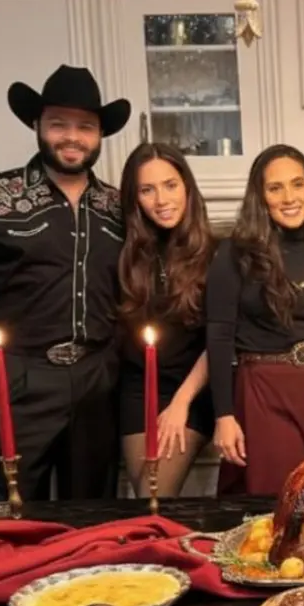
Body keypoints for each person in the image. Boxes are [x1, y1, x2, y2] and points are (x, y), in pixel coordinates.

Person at [0, 65, 130, 501]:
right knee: (15, 510)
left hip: (98, 381)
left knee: (93, 508)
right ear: (37, 125)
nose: (72, 137)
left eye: (86, 127)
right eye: (59, 124)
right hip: (18, 379)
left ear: (99, 136)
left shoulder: (119, 206)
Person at [207, 144, 304, 495]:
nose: (289, 197)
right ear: (261, 197)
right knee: (278, 498)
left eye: (298, 184)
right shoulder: (235, 253)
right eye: (275, 188)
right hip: (263, 389)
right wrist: (223, 416)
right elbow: (219, 336)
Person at [115, 143, 216, 498]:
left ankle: (169, 553)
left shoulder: (216, 253)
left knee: (152, 496)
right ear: (134, 198)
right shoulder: (125, 254)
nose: (161, 199)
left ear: (187, 186)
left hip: (194, 389)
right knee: (144, 495)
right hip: (137, 388)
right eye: (147, 189)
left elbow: (217, 342)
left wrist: (181, 403)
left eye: (170, 185)